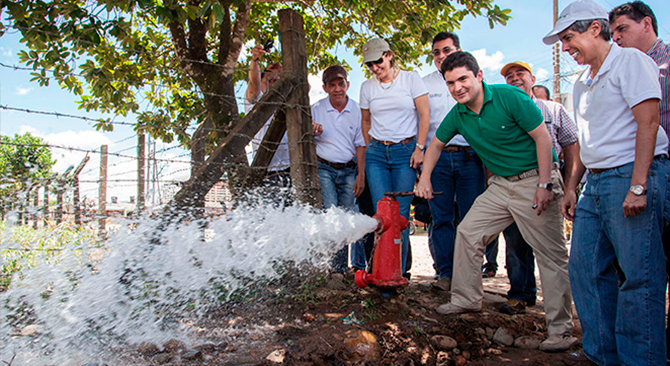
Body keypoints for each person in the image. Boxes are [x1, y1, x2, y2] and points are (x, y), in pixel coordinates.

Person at [415, 51, 576, 352]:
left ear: (478, 76)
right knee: (468, 231)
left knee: (550, 256)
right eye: (450, 83)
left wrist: (545, 184)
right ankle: (466, 299)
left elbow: (543, 138)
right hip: (501, 185)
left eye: (462, 79)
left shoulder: (509, 97)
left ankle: (561, 330)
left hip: (534, 179)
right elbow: (435, 144)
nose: (457, 88)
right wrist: (424, 179)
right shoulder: (459, 114)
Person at [543, 1, 670, 364]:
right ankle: (602, 357)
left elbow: (647, 123)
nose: (565, 48)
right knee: (584, 271)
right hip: (595, 185)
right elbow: (583, 141)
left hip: (630, 175)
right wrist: (572, 187)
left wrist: (639, 185)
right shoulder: (582, 82)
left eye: (569, 38)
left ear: (595, 29)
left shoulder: (630, 61)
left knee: (638, 281)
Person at [609, 3, 670, 358]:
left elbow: (650, 123)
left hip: (658, 169)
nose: (616, 37)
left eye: (622, 29)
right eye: (613, 32)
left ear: (646, 23)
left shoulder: (665, 63)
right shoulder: (616, 68)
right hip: (636, 171)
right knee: (639, 269)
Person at [499, 61, 580, 315]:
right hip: (512, 182)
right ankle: (520, 295)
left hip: (548, 181)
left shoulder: (553, 110)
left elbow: (572, 146)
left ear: (532, 78)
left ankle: (558, 311)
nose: (515, 78)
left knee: (550, 249)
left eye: (520, 74)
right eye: (509, 76)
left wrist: (569, 188)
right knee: (515, 243)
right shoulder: (502, 114)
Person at [422, 31, 491, 291]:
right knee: (441, 219)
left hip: (469, 157)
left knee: (472, 219)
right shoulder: (423, 84)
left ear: (458, 51)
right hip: (437, 158)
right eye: (437, 52)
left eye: (447, 50)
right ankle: (445, 274)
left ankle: (470, 275)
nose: (441, 56)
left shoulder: (471, 80)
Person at [359, 38, 430, 276]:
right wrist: (370, 148)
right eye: (369, 64)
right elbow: (366, 120)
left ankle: (397, 273)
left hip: (405, 152)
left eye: (378, 61)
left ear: (389, 55)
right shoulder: (367, 87)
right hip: (377, 153)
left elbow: (424, 114)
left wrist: (419, 148)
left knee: (400, 216)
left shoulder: (411, 79)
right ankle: (380, 271)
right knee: (382, 215)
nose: (374, 68)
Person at [311, 65, 366, 272]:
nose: (337, 89)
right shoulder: (315, 109)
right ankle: (332, 268)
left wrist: (361, 175)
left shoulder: (358, 110)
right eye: (331, 85)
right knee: (331, 214)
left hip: (349, 170)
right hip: (323, 168)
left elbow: (361, 145)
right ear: (324, 88)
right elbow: (304, 135)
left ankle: (340, 268)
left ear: (347, 85)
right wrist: (312, 130)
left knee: (345, 216)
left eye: (340, 84)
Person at [245, 44, 290, 187]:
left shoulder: (291, 103)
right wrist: (255, 60)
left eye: (277, 81)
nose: (273, 84)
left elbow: (305, 87)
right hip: (267, 170)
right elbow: (254, 82)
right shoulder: (256, 100)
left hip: (291, 169)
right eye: (269, 79)